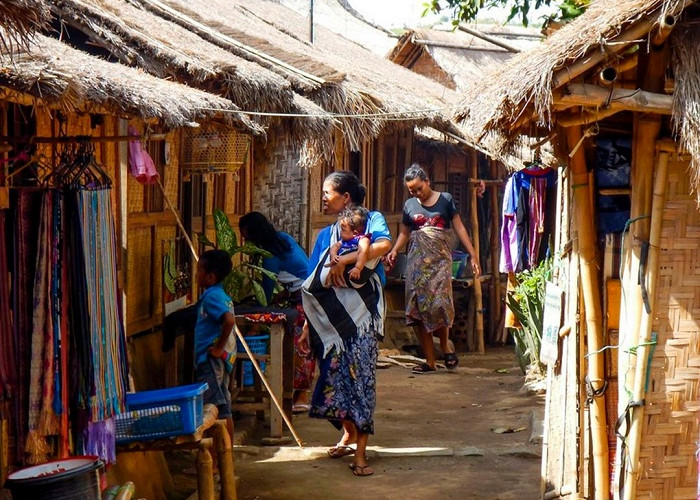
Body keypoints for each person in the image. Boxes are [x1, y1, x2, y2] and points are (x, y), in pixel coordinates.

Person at [299, 171, 391, 477]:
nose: (323, 198)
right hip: (332, 324)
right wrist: (306, 325)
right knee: (331, 382)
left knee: (361, 382)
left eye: (328, 192)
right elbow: (313, 281)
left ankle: (360, 454)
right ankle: (349, 431)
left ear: (346, 197)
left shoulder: (370, 219)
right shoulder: (326, 236)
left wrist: (347, 262)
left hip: (362, 319)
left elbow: (382, 246)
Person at [386, 164, 481, 374]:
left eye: (419, 188)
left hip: (439, 263)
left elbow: (459, 227)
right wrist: (394, 251)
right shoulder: (409, 205)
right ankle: (430, 361)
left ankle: (445, 346)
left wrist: (473, 254)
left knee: (440, 305)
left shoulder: (445, 199)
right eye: (412, 190)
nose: (416, 193)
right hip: (417, 265)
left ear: (427, 181)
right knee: (419, 310)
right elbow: (404, 232)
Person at [238, 211, 314, 413]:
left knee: (301, 347)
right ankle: (299, 393)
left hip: (304, 300)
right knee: (304, 346)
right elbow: (297, 270)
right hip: (310, 293)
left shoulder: (269, 257)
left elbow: (266, 294)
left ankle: (301, 396)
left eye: (248, 238)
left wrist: (257, 311)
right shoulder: (283, 239)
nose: (247, 243)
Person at [194, 249, 237, 438]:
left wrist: (218, 347)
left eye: (199, 270)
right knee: (223, 408)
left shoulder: (212, 296)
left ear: (210, 277)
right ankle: (225, 458)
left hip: (211, 360)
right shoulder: (219, 294)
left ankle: (213, 462)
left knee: (211, 410)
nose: (196, 275)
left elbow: (228, 320)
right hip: (220, 360)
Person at [327, 206, 373, 283]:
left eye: (343, 230)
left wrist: (358, 268)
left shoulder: (362, 239)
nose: (340, 232)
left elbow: (362, 252)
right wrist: (333, 255)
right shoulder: (343, 241)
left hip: (353, 270)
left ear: (355, 233)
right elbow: (335, 246)